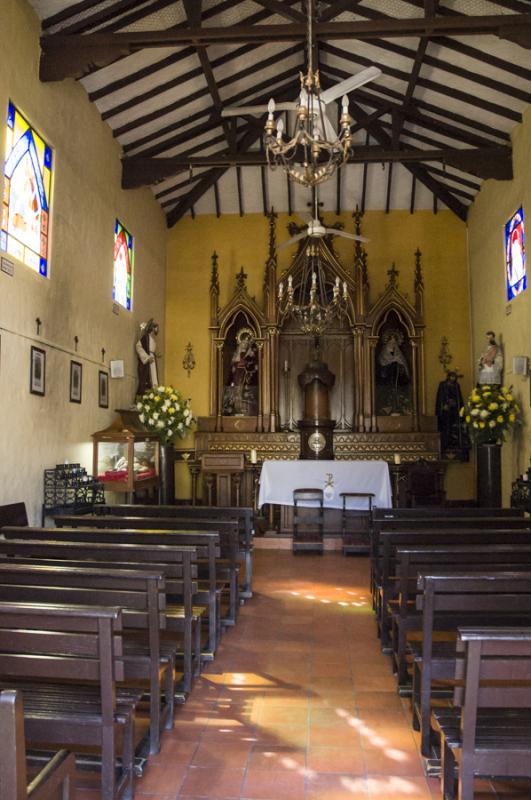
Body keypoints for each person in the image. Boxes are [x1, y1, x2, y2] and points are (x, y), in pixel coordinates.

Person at [222, 329, 258, 415]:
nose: (244, 345)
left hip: (246, 380)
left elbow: (253, 368)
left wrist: (249, 367)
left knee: (244, 395)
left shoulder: (250, 355)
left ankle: (245, 410)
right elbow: (232, 369)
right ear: (240, 343)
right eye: (243, 343)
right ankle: (234, 409)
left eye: (246, 343)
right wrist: (234, 369)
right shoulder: (236, 355)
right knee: (235, 395)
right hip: (236, 379)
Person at [436, 371, 469, 459]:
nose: (453, 379)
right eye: (451, 377)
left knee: (454, 428)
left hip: (454, 411)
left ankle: (454, 443)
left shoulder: (456, 386)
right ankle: (445, 444)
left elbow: (459, 399)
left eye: (454, 377)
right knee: (445, 428)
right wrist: (444, 405)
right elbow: (440, 398)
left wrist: (458, 408)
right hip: (445, 412)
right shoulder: (443, 385)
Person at [136, 319, 159, 396]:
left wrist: (155, 355)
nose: (157, 330)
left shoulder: (152, 339)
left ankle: (153, 395)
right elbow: (138, 346)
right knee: (146, 379)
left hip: (152, 361)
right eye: (156, 328)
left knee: (153, 379)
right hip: (148, 361)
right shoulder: (146, 338)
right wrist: (147, 357)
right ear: (152, 328)